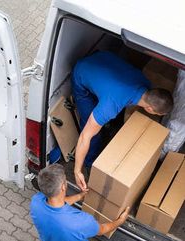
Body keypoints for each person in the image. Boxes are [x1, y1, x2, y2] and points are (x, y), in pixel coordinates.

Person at [72, 50, 174, 191]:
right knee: (91, 130)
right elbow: (85, 137)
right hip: (82, 71)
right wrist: (77, 170)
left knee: (104, 111)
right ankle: (90, 162)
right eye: (156, 113)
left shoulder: (145, 83)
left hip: (101, 59)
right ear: (149, 109)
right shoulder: (111, 105)